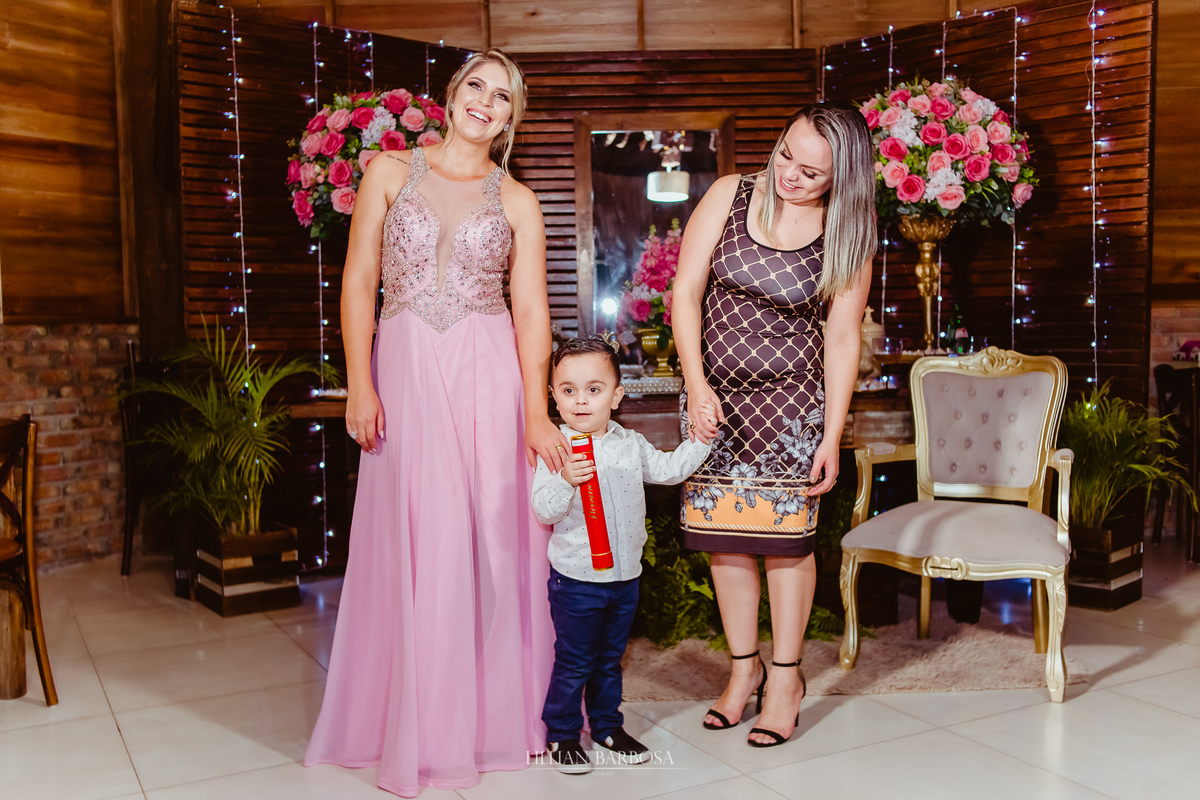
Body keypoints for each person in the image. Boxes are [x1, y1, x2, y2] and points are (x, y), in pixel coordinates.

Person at [304, 50, 568, 797]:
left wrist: (536, 409)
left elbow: (531, 312)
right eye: (477, 86)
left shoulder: (517, 200)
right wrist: (360, 383)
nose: (487, 102)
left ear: (513, 117)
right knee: (419, 535)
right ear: (450, 96)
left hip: (489, 373)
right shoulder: (388, 172)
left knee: (492, 541)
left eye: (504, 96)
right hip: (407, 367)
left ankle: (491, 721)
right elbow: (359, 280)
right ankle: (413, 721)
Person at [672, 104, 876, 747]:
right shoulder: (729, 195)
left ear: (843, 177)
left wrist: (832, 434)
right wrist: (696, 384)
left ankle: (785, 679)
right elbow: (686, 292)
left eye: (812, 172)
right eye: (787, 154)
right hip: (714, 400)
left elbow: (841, 338)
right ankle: (743, 672)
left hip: (793, 406)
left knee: (787, 545)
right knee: (725, 540)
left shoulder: (849, 230)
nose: (790, 174)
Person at [530, 336, 711, 773]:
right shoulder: (555, 448)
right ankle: (562, 733)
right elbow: (544, 510)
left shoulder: (630, 442)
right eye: (568, 390)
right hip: (576, 580)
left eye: (593, 389)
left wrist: (701, 442)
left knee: (610, 660)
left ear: (616, 396)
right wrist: (565, 480)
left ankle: (608, 726)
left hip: (625, 577)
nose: (580, 400)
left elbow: (667, 470)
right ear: (553, 396)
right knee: (575, 661)